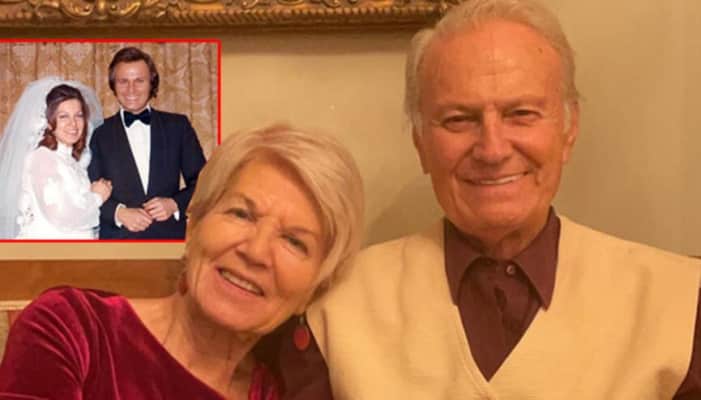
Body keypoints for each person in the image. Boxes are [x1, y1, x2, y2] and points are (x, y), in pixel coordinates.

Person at [279, 0, 701, 399]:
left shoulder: (680, 302)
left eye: (522, 114)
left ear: (569, 129)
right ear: (421, 142)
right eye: (459, 119)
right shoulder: (333, 306)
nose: (493, 150)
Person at [0, 124, 365, 399]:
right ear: (194, 225)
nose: (255, 252)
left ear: (314, 287)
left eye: (294, 241)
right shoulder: (72, 329)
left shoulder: (274, 394)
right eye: (241, 214)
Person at [88, 46, 206, 239]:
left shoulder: (178, 126)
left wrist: (174, 204)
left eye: (139, 81)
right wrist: (118, 213)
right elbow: (85, 188)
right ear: (113, 85)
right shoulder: (97, 133)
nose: (131, 89)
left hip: (169, 240)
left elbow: (205, 181)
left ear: (152, 83)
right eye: (123, 81)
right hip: (116, 242)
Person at [0, 78, 108, 239]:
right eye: (63, 116)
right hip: (51, 250)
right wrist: (97, 197)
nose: (73, 124)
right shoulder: (42, 158)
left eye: (78, 116)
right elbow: (60, 216)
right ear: (49, 122)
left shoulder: (72, 161)